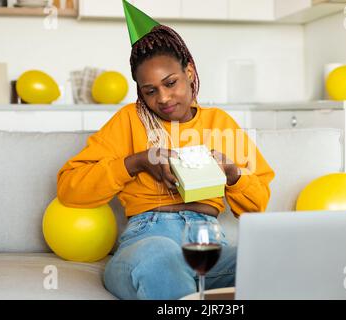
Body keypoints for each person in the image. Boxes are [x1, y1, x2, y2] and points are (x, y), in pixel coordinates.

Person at [56, 2, 275, 300]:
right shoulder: (129, 120)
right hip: (147, 238)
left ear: (189, 72)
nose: (164, 98)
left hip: (207, 243)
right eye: (150, 91)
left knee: (270, 260)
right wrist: (136, 162)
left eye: (171, 83)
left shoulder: (220, 123)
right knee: (162, 255)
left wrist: (233, 174)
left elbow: (257, 207)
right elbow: (71, 189)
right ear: (140, 93)